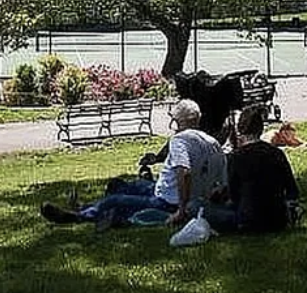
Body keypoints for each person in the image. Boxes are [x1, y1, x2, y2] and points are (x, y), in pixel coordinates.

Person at [40, 98, 225, 230]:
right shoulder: (213, 143)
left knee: (116, 199)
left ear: (179, 120)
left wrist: (181, 210)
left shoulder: (179, 141)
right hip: (165, 191)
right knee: (119, 185)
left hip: (168, 202)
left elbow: (184, 172)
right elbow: (222, 183)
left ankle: (79, 216)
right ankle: (93, 209)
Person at [202, 104, 302, 235]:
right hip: (278, 220)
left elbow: (233, 195)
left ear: (241, 129)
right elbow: (292, 190)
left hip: (247, 220)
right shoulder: (276, 153)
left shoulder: (236, 157)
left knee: (196, 207)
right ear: (261, 128)